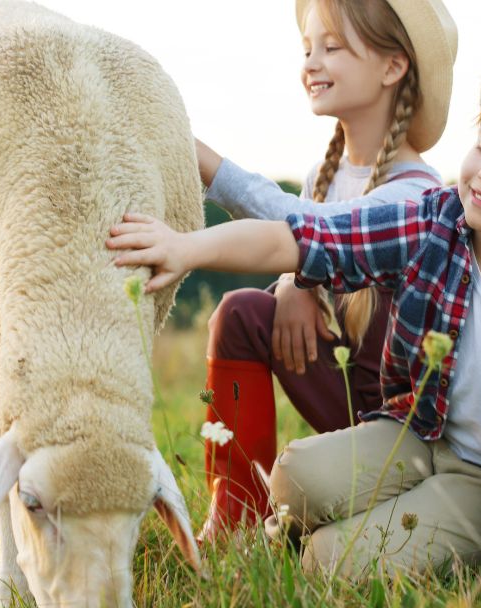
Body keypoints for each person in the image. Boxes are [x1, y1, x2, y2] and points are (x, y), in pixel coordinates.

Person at [108, 50, 481, 597]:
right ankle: (301, 530)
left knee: (333, 560)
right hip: (418, 433)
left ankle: (341, 545)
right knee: (294, 476)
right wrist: (186, 247)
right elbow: (299, 238)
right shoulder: (434, 220)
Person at [194, 0, 458, 542]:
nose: (311, 62)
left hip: (409, 431)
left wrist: (208, 166)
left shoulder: (418, 194)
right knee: (242, 312)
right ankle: (234, 513)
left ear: (392, 67)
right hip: (347, 398)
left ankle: (364, 497)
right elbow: (309, 234)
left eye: (332, 47)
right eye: (308, 48)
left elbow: (321, 231)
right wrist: (294, 280)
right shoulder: (324, 172)